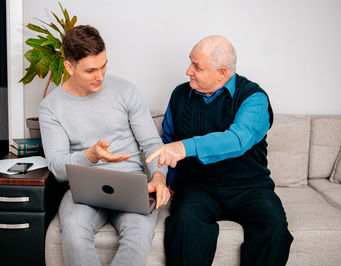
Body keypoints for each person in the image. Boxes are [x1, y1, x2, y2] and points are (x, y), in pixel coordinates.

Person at [146, 35, 293, 266]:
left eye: (197, 66)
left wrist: (186, 147)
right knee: (184, 226)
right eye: (190, 62)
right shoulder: (179, 95)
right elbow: (169, 139)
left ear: (222, 73)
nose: (188, 71)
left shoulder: (254, 98)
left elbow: (237, 139)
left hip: (249, 188)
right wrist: (168, 181)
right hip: (197, 187)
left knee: (274, 230)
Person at [39, 25, 170, 266]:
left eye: (104, 66)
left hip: (131, 183)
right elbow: (57, 167)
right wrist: (89, 155)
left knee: (137, 237)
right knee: (75, 234)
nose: (100, 76)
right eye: (90, 70)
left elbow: (153, 144)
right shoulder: (51, 107)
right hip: (83, 190)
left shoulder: (127, 91)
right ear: (69, 67)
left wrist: (160, 178)